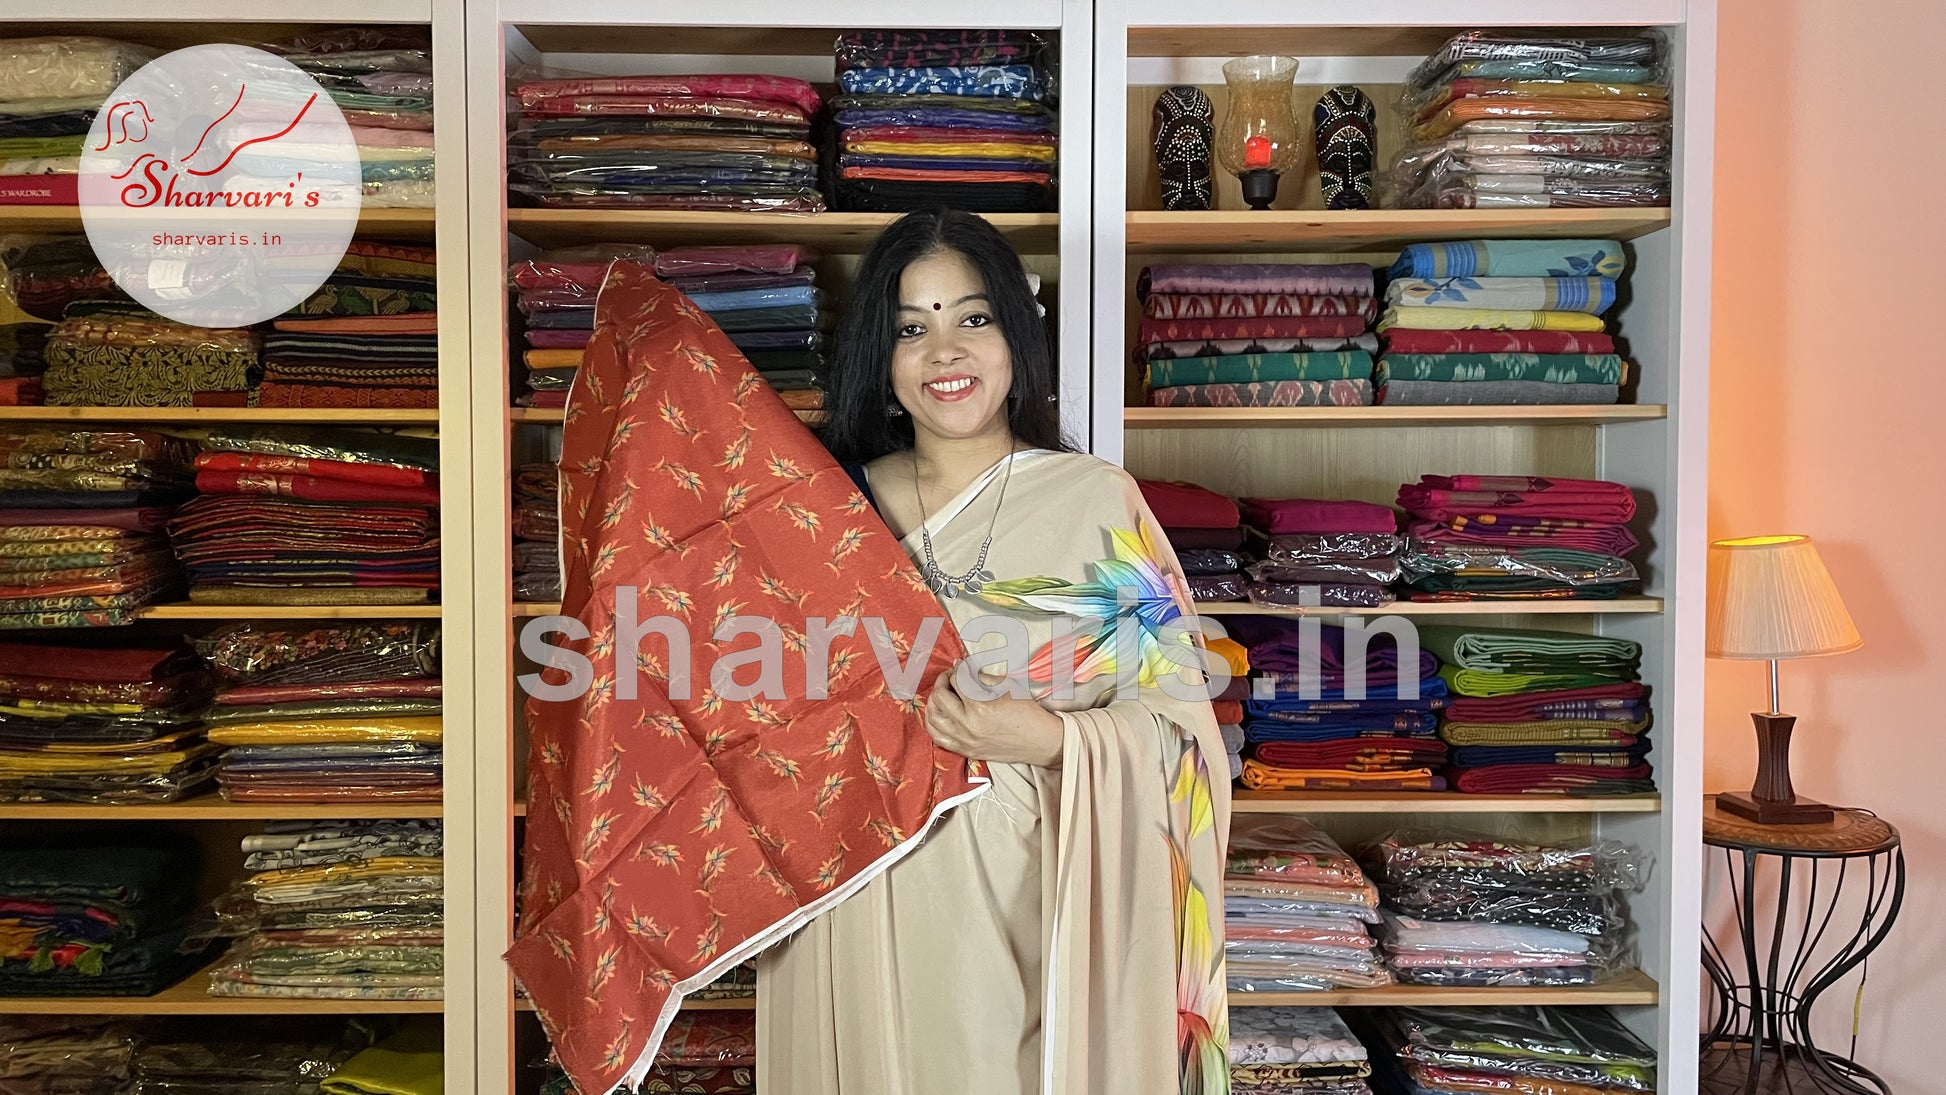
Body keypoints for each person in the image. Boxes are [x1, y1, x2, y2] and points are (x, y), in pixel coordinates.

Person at [758, 208, 1232, 1095]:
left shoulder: (1099, 505)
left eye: (973, 318)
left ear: (1017, 336)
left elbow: (1186, 741)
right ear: (882, 357)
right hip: (859, 911)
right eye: (913, 327)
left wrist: (1055, 741)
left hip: (1040, 919)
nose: (946, 352)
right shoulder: (823, 509)